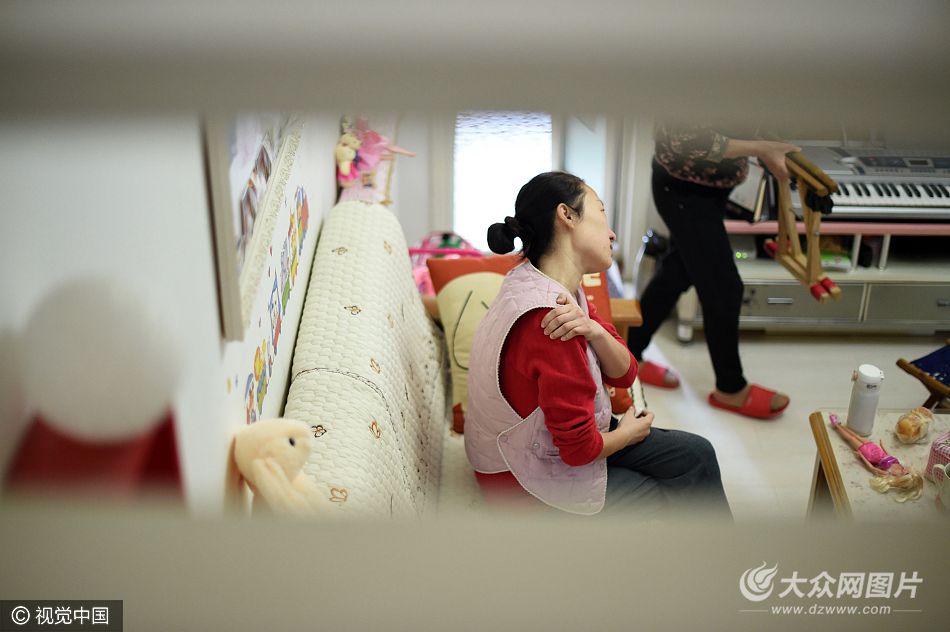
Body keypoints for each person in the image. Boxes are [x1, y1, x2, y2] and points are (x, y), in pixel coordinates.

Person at [464, 171, 731, 519]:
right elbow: (578, 450)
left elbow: (625, 373)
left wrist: (596, 331)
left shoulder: (546, 283)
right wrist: (629, 433)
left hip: (536, 448)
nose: (612, 233)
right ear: (567, 216)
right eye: (601, 213)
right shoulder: (551, 322)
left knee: (697, 454)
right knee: (675, 495)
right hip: (523, 480)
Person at [626, 124, 800, 419]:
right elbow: (686, 138)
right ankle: (730, 389)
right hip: (683, 190)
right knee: (724, 288)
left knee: (678, 271)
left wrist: (768, 143)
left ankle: (628, 356)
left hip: (708, 190)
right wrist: (761, 149)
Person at [829, 414, 923, 502]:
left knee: (851, 439)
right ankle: (840, 425)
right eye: (909, 470)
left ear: (904, 478)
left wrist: (861, 456)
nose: (907, 469)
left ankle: (836, 425)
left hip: (869, 454)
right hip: (876, 449)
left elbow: (872, 468)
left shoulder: (889, 473)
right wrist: (882, 446)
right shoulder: (899, 464)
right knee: (856, 436)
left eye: (907, 472)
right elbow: (888, 455)